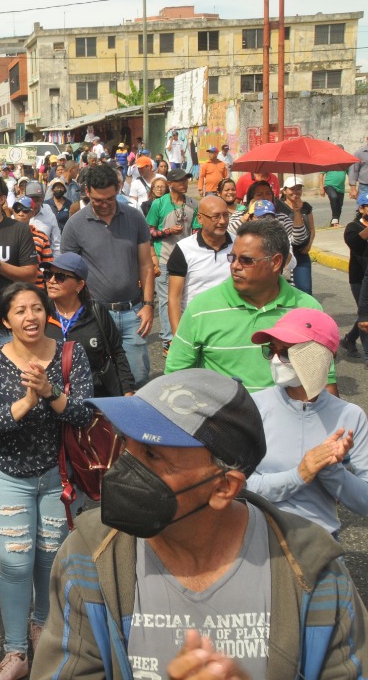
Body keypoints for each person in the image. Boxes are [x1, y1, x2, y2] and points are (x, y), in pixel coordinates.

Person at [32, 368, 368, 680]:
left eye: (152, 456)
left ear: (224, 487)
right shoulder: (88, 557)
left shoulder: (311, 570)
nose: (121, 471)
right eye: (126, 446)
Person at [0, 283, 93, 680]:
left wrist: (50, 392)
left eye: (37, 308)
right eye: (20, 311)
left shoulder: (69, 354)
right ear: (5, 320)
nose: (31, 317)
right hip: (11, 476)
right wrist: (29, 399)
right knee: (14, 563)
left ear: (48, 313)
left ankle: (42, 630)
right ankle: (14, 653)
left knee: (49, 558)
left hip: (58, 477)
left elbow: (83, 414)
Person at [166, 219, 336, 393]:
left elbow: (324, 381)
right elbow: (176, 376)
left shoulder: (308, 310)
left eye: (246, 260)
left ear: (276, 262)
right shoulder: (201, 308)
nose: (234, 266)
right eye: (232, 257)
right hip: (225, 420)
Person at [247, 309, 368, 537]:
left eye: (286, 353)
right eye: (270, 350)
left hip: (321, 544)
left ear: (321, 357)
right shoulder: (253, 406)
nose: (275, 360)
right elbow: (236, 486)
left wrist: (331, 470)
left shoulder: (351, 416)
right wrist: (300, 474)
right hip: (259, 538)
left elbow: (365, 502)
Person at [61, 163, 154, 387]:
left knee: (138, 376)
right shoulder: (74, 225)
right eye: (97, 201)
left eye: (109, 200)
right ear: (87, 193)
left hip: (133, 312)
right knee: (96, 378)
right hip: (95, 313)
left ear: (119, 189)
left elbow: (146, 265)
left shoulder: (135, 218)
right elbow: (68, 274)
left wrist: (148, 305)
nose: (103, 205)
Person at [42, 253, 135, 397]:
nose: (51, 281)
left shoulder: (96, 311)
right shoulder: (41, 313)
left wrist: (128, 391)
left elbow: (117, 353)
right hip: (53, 398)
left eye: (60, 276)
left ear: (79, 285)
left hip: (96, 397)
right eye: (48, 275)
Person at [167, 195, 235, 338]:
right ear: (200, 218)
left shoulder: (239, 245)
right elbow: (174, 297)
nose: (222, 221)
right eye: (215, 217)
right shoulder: (184, 249)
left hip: (233, 327)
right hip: (196, 327)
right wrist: (177, 336)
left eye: (225, 215)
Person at [147, 167, 198, 354]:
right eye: (180, 181)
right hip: (164, 256)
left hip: (187, 258)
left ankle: (184, 335)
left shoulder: (193, 203)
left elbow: (196, 230)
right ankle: (169, 340)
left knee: (185, 297)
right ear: (170, 184)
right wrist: (167, 232)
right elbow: (149, 231)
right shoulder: (159, 204)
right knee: (166, 300)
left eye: (186, 180)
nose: (185, 184)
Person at [341, 191, 368, 365]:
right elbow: (355, 244)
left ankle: (349, 339)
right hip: (359, 278)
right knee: (365, 314)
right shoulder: (353, 227)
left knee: (364, 315)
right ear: (362, 208)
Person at [278, 175, 315, 295]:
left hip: (301, 253)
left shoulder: (306, 207)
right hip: (285, 254)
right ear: (284, 190)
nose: (296, 191)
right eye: (292, 188)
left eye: (298, 188)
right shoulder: (278, 207)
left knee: (305, 289)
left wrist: (309, 245)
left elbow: (312, 229)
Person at [11, 198, 54, 289]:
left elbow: (48, 267)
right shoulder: (4, 235)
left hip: (36, 288)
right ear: (13, 212)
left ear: (32, 213)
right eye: (17, 209)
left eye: (25, 210)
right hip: (10, 288)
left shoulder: (41, 237)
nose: (21, 213)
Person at [22, 180, 62, 256]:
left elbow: (57, 245)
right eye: (31, 200)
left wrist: (55, 265)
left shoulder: (50, 216)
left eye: (37, 200)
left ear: (43, 198)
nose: (34, 204)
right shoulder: (18, 215)